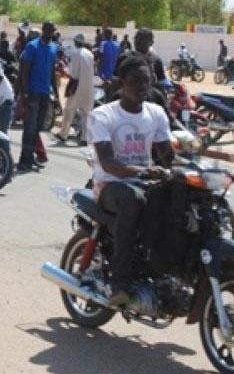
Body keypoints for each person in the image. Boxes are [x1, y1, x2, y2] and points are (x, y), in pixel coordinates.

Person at [87, 54, 174, 306]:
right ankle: (119, 283)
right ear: (121, 82)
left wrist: (186, 162)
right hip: (110, 185)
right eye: (136, 81)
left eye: (146, 81)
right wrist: (144, 171)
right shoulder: (103, 115)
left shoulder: (156, 113)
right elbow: (108, 163)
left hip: (144, 181)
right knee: (133, 199)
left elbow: (166, 154)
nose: (142, 87)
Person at [17, 21, 58, 171]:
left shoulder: (54, 48)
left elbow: (53, 73)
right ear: (43, 30)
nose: (50, 32)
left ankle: (31, 157)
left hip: (45, 94)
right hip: (32, 93)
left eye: (52, 30)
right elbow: (24, 71)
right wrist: (25, 93)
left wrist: (57, 95)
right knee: (29, 127)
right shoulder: (32, 46)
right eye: (47, 29)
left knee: (38, 127)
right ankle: (23, 160)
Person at [57, 34, 95, 144]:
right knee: (86, 113)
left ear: (75, 42)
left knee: (69, 110)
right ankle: (85, 137)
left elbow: (73, 73)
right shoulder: (90, 54)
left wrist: (66, 72)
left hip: (77, 86)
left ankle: (64, 134)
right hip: (88, 87)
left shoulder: (75, 54)